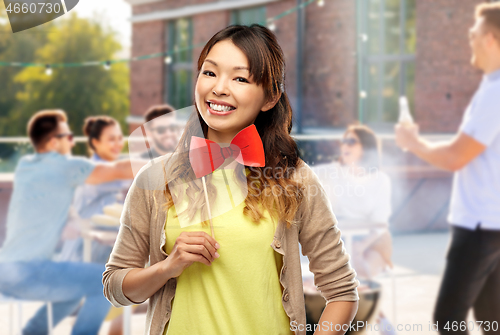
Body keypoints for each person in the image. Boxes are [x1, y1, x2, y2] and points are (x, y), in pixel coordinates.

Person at [103, 24, 359, 335]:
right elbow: (116, 286)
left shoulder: (295, 179)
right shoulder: (155, 178)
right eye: (209, 73)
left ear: (270, 97)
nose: (219, 88)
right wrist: (167, 267)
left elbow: (342, 291)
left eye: (240, 78)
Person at [395, 3, 500, 334]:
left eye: (473, 33)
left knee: (449, 319)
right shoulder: (491, 87)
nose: (468, 38)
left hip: (479, 226)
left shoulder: (495, 93)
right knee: (490, 318)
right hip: (490, 223)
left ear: (492, 39)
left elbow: (457, 156)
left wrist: (413, 144)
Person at [0, 110, 143, 335]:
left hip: (6, 269)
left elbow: (48, 203)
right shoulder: (63, 166)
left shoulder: (26, 165)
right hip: (30, 271)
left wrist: (70, 223)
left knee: (74, 287)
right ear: (52, 142)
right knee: (107, 282)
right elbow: (118, 170)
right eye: (67, 136)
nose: (71, 141)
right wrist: (168, 162)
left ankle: (32, 333)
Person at [312, 124, 395, 335]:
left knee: (353, 263)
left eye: (352, 141)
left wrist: (360, 245)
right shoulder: (331, 172)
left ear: (365, 148)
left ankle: (369, 320)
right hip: (341, 239)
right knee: (348, 262)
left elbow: (380, 222)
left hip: (373, 240)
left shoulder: (380, 180)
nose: (345, 146)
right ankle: (377, 318)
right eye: (344, 141)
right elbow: (302, 174)